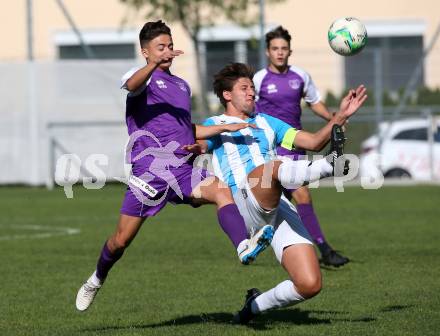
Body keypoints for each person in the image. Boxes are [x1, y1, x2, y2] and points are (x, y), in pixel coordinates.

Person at [75, 21, 273, 312]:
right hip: (150, 172)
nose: (167, 51)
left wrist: (227, 126)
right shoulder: (140, 78)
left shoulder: (182, 86)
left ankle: (243, 246)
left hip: (182, 169)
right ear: (145, 51)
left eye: (169, 46)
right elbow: (131, 86)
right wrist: (152, 64)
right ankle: (96, 278)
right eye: (160, 47)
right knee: (120, 241)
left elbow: (186, 130)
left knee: (221, 190)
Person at [200, 63, 366, 324]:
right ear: (226, 95)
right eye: (244, 88)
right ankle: (327, 165)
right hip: (244, 203)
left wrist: (341, 116)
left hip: (276, 201)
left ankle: (253, 306)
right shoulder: (214, 124)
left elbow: (312, 142)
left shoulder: (267, 122)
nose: (252, 93)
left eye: (253, 88)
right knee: (274, 168)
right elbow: (194, 144)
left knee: (309, 283)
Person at [253, 26, 349, 267]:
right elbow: (248, 111)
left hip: (298, 143)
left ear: (290, 51)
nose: (280, 53)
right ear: (267, 52)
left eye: (284, 49)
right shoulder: (259, 79)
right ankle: (325, 250)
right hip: (274, 146)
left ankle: (262, 239)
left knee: (280, 201)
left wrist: (333, 120)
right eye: (275, 49)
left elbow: (314, 102)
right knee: (301, 194)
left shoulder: (300, 76)